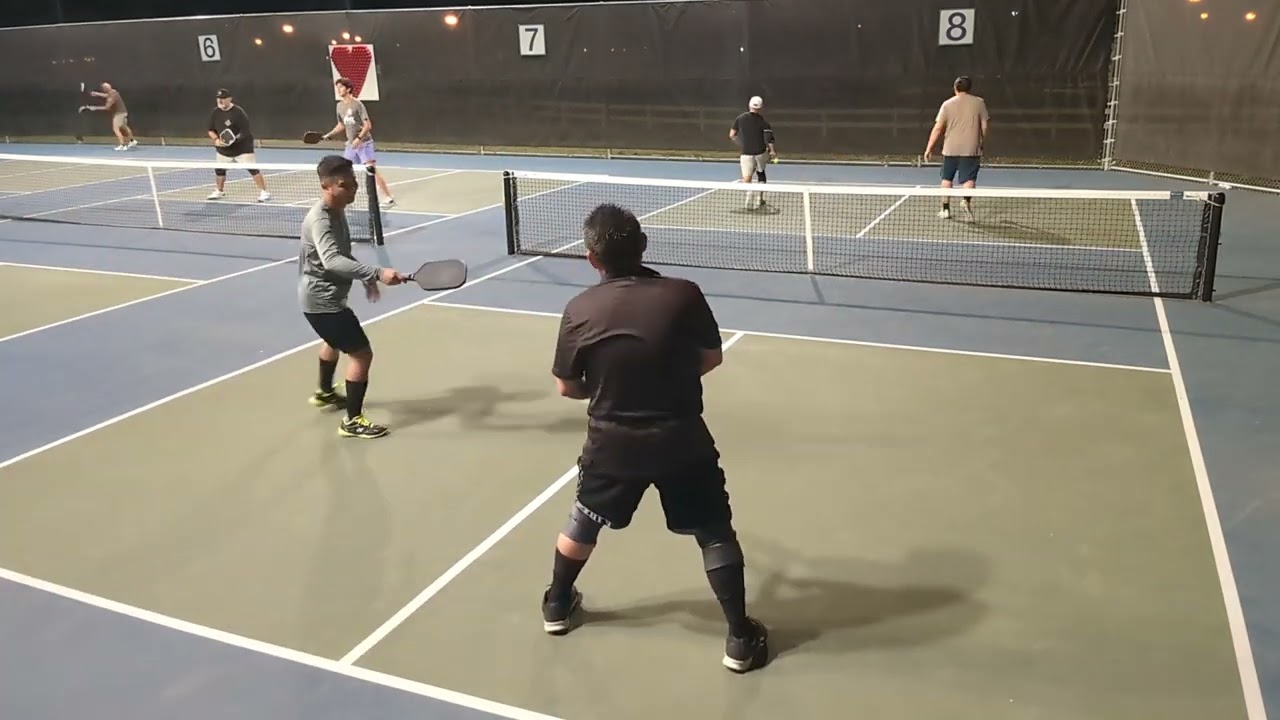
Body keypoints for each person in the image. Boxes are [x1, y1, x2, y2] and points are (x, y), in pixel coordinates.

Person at [540, 203, 770, 674]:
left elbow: (566, 386)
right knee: (713, 532)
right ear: (643, 245)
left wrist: (603, 389)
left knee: (583, 523)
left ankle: (558, 605)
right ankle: (740, 639)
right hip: (682, 441)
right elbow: (711, 358)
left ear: (591, 258)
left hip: (610, 447)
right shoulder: (683, 294)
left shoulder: (578, 308)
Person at [298, 154, 405, 439]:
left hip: (321, 297)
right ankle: (352, 421)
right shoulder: (321, 220)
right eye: (348, 185)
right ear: (330, 186)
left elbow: (342, 255)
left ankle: (324, 392)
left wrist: (366, 278)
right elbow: (332, 261)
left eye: (355, 182)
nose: (355, 188)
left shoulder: (337, 211)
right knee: (360, 354)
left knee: (332, 342)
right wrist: (377, 272)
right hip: (323, 301)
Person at [319, 78, 396, 208]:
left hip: (364, 144)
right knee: (343, 171)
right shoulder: (339, 106)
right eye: (337, 87)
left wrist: (358, 139)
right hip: (350, 146)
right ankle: (345, 198)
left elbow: (368, 125)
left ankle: (388, 197)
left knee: (371, 171)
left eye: (341, 87)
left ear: (348, 89)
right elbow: (341, 125)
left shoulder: (357, 105)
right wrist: (329, 135)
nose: (338, 90)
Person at [924, 76, 990, 222]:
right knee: (969, 179)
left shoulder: (947, 104)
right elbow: (984, 126)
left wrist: (929, 148)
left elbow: (938, 128)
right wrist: (981, 141)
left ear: (955, 88)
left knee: (946, 178)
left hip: (950, 148)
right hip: (971, 148)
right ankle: (965, 202)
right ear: (970, 88)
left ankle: (945, 209)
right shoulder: (979, 103)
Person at [206, 89, 271, 203]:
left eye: (223, 99)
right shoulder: (215, 112)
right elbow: (210, 130)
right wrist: (216, 140)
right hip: (223, 149)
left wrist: (233, 140)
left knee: (253, 169)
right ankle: (219, 190)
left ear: (230, 99)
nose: (220, 101)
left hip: (242, 148)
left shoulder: (238, 112)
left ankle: (264, 192)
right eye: (218, 99)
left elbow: (245, 131)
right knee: (219, 170)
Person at [729, 96, 777, 211]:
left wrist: (741, 144)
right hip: (760, 153)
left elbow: (732, 135)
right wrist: (772, 151)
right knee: (761, 173)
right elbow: (769, 139)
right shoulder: (764, 122)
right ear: (761, 108)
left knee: (747, 177)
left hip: (746, 153)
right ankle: (759, 199)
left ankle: (748, 196)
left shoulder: (740, 118)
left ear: (749, 105)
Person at [81, 82, 137, 151]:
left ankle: (122, 145)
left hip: (119, 114)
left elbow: (107, 107)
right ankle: (132, 141)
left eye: (103, 88)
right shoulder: (113, 91)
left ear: (105, 89)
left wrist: (94, 107)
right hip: (124, 112)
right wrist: (97, 94)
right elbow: (107, 95)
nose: (102, 89)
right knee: (124, 127)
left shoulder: (111, 98)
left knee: (116, 128)